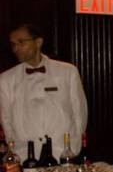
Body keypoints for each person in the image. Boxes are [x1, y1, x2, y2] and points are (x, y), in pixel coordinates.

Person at [1, 24, 87, 160]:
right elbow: (6, 120)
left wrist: (74, 146)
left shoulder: (68, 71)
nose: (16, 49)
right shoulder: (6, 79)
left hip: (63, 152)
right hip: (25, 154)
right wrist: (16, 150)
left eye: (21, 42)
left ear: (38, 42)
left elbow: (79, 111)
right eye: (13, 45)